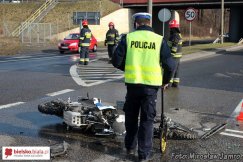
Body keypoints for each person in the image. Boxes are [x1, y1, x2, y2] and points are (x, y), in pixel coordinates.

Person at [112, 12, 175, 161]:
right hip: (151, 88)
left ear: (136, 23)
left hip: (133, 85)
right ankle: (143, 155)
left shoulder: (128, 38)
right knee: (147, 120)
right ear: (149, 23)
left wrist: (127, 68)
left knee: (131, 116)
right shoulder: (159, 40)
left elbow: (116, 60)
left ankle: (129, 145)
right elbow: (170, 65)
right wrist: (165, 81)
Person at [168, 19, 183, 87]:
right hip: (178, 56)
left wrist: (171, 55)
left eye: (171, 28)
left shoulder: (175, 35)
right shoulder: (178, 35)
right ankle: (175, 83)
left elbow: (174, 46)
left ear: (173, 28)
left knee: (172, 70)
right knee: (176, 70)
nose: (170, 29)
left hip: (174, 56)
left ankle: (169, 83)